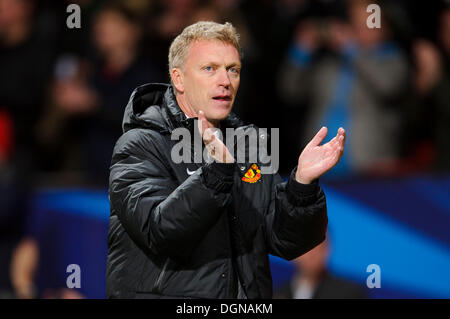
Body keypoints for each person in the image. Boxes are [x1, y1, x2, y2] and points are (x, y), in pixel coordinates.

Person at [106, 21, 346, 299]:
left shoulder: (249, 145)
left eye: (233, 69)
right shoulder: (140, 143)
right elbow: (161, 231)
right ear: (179, 78)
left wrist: (302, 184)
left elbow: (284, 242)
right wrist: (216, 175)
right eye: (210, 68)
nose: (225, 81)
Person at [274, 238, 368, 299]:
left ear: (327, 250)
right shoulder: (277, 293)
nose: (311, 253)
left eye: (317, 246)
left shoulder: (350, 293)